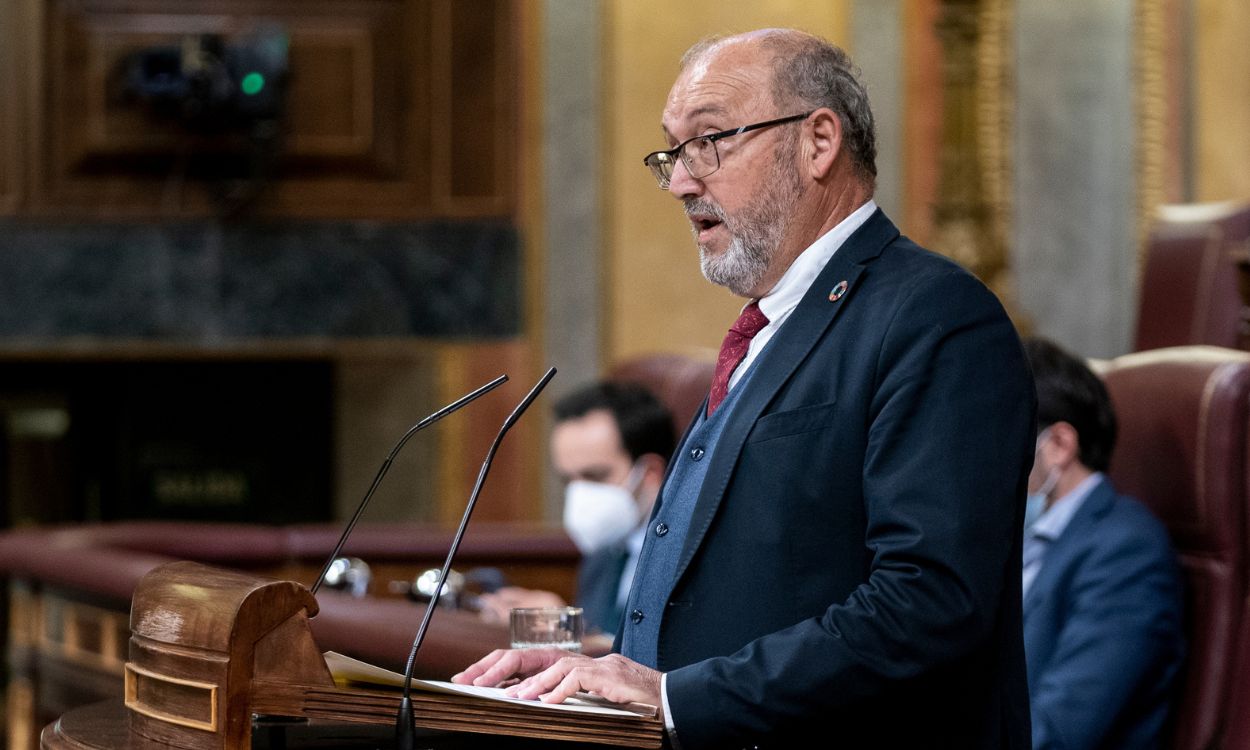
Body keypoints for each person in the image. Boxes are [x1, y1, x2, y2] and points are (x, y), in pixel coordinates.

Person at [455, 28, 1036, 748]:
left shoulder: (936, 318)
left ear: (818, 142)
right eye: (672, 152)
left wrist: (675, 698)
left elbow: (930, 602)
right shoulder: (766, 327)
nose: (680, 181)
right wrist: (606, 668)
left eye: (710, 142)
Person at [1021, 337, 1184, 749]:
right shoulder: (1019, 538)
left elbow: (1057, 732)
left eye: (997, 439)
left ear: (1057, 446)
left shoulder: (1127, 553)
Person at [475, 381, 675, 638]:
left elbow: (662, 664)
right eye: (568, 480)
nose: (580, 494)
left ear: (650, 473)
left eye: (594, 476)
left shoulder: (687, 556)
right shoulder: (602, 553)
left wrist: (566, 627)